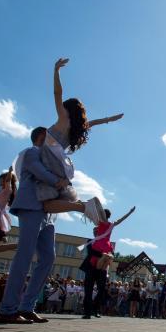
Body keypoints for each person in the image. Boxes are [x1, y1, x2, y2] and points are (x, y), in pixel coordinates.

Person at [35, 58, 121, 223]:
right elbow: (93, 123)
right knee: (51, 203)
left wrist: (56, 72)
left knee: (46, 205)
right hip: (59, 166)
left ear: (67, 108)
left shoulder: (63, 119)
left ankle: (83, 207)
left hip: (49, 163)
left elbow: (57, 94)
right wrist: (109, 119)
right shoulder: (76, 128)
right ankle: (83, 206)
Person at [0, 127, 66, 325]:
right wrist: (57, 181)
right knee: (25, 255)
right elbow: (39, 171)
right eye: (49, 138)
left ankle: (27, 307)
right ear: (40, 138)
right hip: (31, 205)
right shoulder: (32, 152)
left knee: (48, 258)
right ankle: (7, 310)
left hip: (48, 212)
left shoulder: (51, 157)